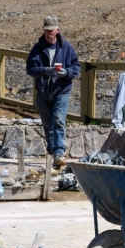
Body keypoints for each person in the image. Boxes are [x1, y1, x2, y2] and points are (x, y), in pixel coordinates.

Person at [26, 16, 80, 167]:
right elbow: (30, 68)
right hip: (43, 91)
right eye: (46, 31)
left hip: (61, 90)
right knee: (47, 123)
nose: (49, 34)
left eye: (51, 31)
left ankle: (59, 152)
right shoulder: (37, 48)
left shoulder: (66, 47)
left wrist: (66, 72)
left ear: (57, 30)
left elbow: (76, 68)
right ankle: (52, 151)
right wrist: (45, 70)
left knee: (58, 119)